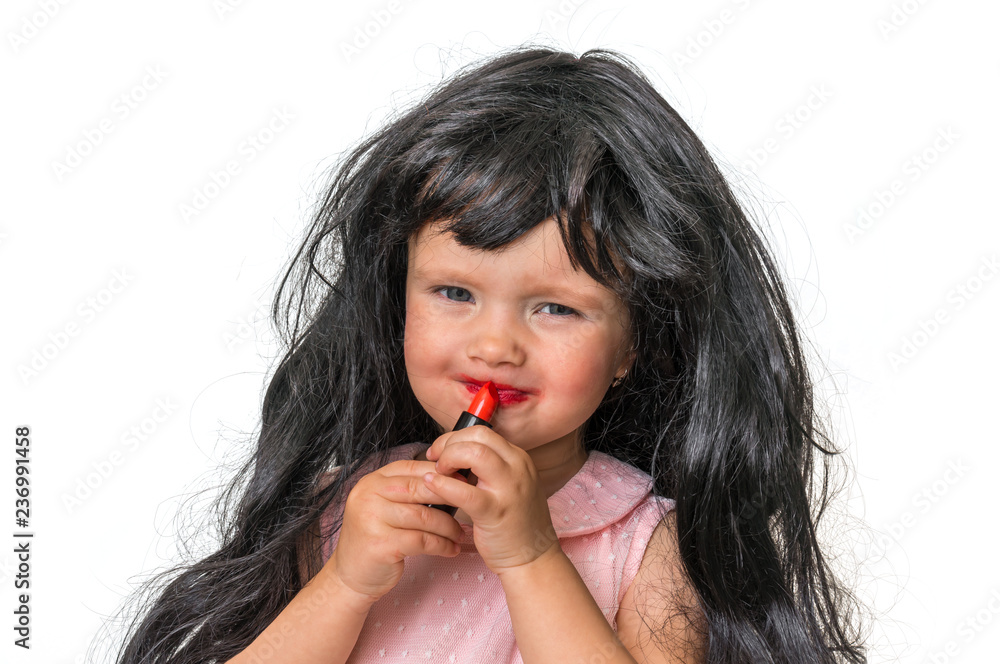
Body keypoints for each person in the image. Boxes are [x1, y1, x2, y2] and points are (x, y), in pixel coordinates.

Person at [112, 47, 867, 663]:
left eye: (555, 308)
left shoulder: (649, 545)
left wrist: (532, 556)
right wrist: (344, 583)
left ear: (631, 345)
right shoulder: (350, 509)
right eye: (454, 293)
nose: (495, 345)